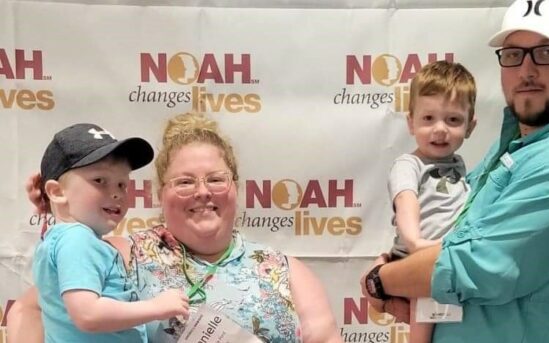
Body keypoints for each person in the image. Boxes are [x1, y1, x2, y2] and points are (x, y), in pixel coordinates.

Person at [361, 0, 549, 342]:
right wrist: (402, 276)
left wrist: (381, 279)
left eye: (546, 53)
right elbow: (458, 226)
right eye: (514, 53)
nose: (526, 70)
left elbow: (471, 266)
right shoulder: (525, 138)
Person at [9, 113, 341, 343]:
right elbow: (33, 308)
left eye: (215, 179)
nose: (202, 192)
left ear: (236, 187)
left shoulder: (286, 271)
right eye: (184, 182)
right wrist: (57, 208)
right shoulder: (122, 254)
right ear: (161, 193)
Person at [31, 123, 190, 342]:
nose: (116, 193)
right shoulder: (76, 239)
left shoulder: (66, 239)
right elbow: (88, 314)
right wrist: (155, 306)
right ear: (57, 192)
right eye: (100, 181)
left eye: (122, 184)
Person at [387, 60, 476, 343]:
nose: (440, 129)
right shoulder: (408, 164)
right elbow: (406, 201)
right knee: (422, 331)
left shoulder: (460, 166)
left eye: (453, 120)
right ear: (411, 122)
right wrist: (415, 242)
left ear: (470, 126)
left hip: (445, 259)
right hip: (417, 259)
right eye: (428, 119)